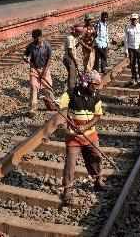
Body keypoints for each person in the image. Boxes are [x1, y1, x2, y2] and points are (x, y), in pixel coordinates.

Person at [58, 70, 105, 205]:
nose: (96, 88)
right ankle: (67, 190)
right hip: (73, 136)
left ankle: (97, 180)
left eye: (97, 85)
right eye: (94, 85)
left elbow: (97, 116)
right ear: (86, 83)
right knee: (70, 163)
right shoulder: (71, 93)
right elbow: (61, 107)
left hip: (90, 134)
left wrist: (85, 127)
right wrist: (64, 121)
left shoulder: (95, 96)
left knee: (96, 156)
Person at [23, 29, 55, 115]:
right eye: (35, 39)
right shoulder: (30, 46)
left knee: (48, 87)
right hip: (34, 69)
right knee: (34, 87)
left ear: (41, 37)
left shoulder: (47, 45)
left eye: (38, 38)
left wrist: (44, 71)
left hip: (45, 68)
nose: (37, 40)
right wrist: (26, 59)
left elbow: (49, 59)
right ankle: (33, 109)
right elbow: (25, 55)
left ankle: (52, 104)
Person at [124, 13, 140, 86]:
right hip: (131, 49)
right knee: (132, 64)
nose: (134, 20)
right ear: (131, 20)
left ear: (137, 19)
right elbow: (126, 40)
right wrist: (126, 50)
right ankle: (134, 78)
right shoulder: (128, 28)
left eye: (135, 19)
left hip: (139, 48)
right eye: (132, 19)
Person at [63, 25, 83, 92]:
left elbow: (73, 48)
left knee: (73, 74)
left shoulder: (73, 38)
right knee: (72, 75)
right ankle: (71, 90)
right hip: (69, 59)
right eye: (79, 34)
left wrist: (78, 44)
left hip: (71, 58)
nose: (79, 35)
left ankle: (72, 88)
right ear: (76, 32)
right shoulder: (70, 38)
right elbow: (70, 52)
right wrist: (75, 61)